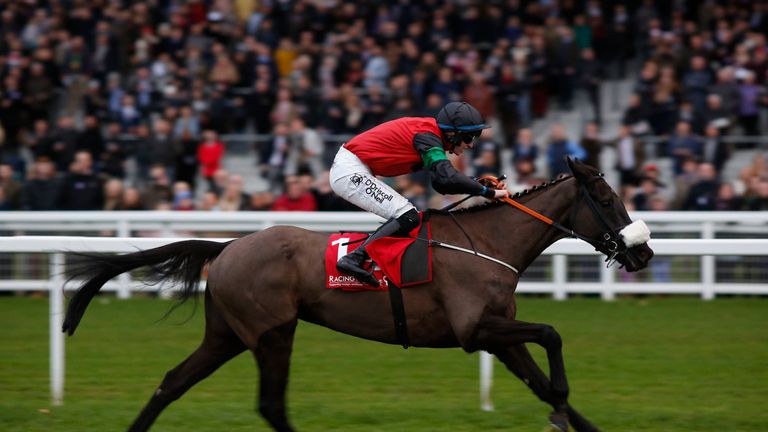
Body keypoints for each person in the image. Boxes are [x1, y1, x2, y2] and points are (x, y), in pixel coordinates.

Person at [329, 101, 509, 285]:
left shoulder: (432, 137)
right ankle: (354, 258)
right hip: (350, 170)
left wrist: (476, 184)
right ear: (453, 133)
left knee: (409, 216)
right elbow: (446, 178)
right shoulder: (427, 137)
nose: (471, 145)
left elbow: (441, 183)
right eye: (470, 137)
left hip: (354, 167)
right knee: (408, 216)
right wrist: (486, 192)